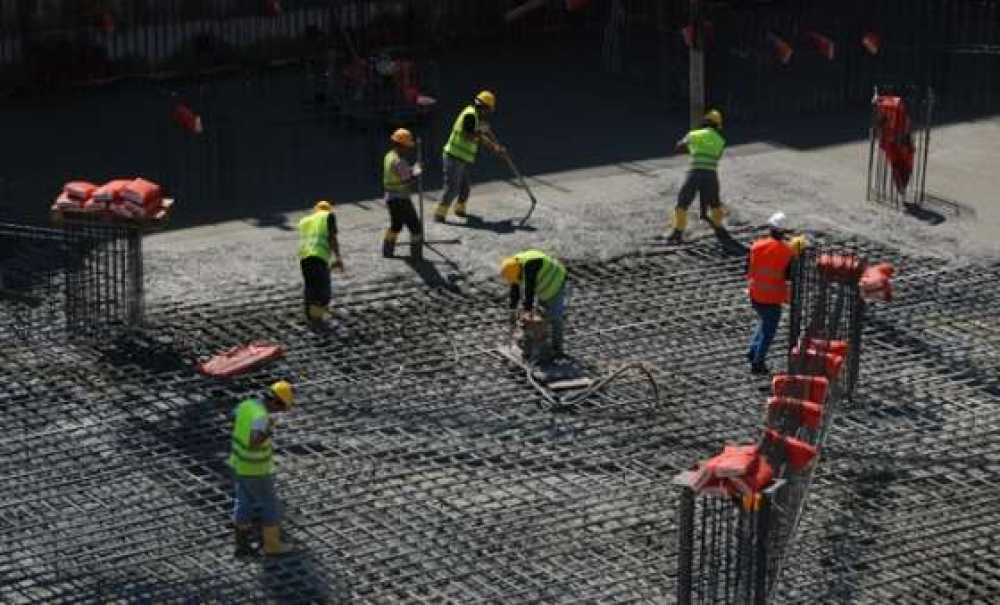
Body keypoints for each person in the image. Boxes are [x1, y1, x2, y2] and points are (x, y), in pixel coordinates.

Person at [229, 380, 296, 557]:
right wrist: (269, 428)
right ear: (275, 402)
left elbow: (234, 415)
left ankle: (241, 545)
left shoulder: (247, 405)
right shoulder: (262, 417)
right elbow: (254, 442)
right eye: (281, 408)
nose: (280, 412)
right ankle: (272, 546)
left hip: (238, 464)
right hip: (256, 469)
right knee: (270, 505)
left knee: (243, 502)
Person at [746, 212, 807, 374]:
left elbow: (748, 268)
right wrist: (797, 254)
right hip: (771, 298)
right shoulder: (786, 252)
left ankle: (752, 351)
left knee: (764, 322)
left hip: (754, 294)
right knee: (768, 331)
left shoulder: (756, 246)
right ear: (784, 232)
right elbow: (789, 276)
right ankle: (758, 363)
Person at [434, 90, 507, 222]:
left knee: (465, 187)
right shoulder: (470, 116)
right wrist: (491, 145)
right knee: (452, 188)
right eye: (489, 109)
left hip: (460, 158)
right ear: (484, 107)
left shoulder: (476, 116)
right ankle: (440, 213)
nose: (489, 113)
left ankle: (460, 209)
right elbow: (471, 135)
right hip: (453, 156)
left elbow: (485, 132)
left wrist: (497, 146)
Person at [667, 109, 727, 243]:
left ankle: (678, 231)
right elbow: (717, 157)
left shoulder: (694, 134)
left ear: (705, 122)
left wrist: (691, 148)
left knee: (682, 202)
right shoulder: (720, 141)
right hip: (711, 174)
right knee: (715, 203)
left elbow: (678, 147)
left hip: (694, 173)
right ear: (717, 126)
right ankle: (718, 226)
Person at [500, 250, 571, 359]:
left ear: (519, 271)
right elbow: (515, 290)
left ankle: (558, 350)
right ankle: (538, 346)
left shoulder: (530, 265)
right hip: (544, 287)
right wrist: (512, 311)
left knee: (555, 318)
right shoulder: (514, 266)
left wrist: (527, 312)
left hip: (557, 282)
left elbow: (529, 291)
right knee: (540, 315)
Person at [298, 201, 343, 323]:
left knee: (311, 287)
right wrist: (338, 258)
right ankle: (317, 317)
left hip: (304, 258)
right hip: (318, 256)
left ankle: (310, 316)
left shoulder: (305, 221)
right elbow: (332, 237)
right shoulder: (327, 217)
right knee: (323, 290)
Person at [382, 128, 424, 259]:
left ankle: (387, 251)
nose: (408, 149)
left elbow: (400, 173)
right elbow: (407, 179)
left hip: (390, 198)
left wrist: (411, 169)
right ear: (401, 145)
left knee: (396, 225)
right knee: (416, 228)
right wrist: (417, 171)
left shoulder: (389, 156)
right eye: (407, 146)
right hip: (401, 199)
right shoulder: (399, 161)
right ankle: (416, 256)